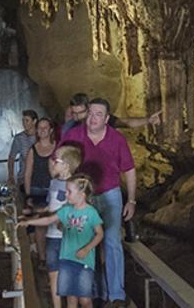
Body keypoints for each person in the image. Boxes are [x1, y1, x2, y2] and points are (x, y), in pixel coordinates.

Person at [58, 98, 136, 307]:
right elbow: (59, 159)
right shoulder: (74, 135)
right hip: (84, 196)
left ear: (107, 119)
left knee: (111, 242)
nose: (92, 118)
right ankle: (91, 290)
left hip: (110, 194)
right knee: (85, 243)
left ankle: (116, 294)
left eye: (98, 114)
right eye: (90, 113)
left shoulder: (117, 139)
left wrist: (131, 200)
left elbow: (129, 169)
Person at [19, 173, 104, 308]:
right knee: (70, 296)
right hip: (66, 258)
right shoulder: (66, 210)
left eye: (69, 192)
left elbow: (99, 234)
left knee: (85, 299)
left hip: (84, 262)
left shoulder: (91, 213)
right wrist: (29, 222)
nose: (65, 195)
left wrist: (87, 248)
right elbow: (49, 219)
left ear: (82, 194)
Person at [25, 144, 83, 308]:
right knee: (54, 277)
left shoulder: (76, 186)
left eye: (55, 160)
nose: (52, 163)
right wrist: (35, 212)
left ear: (65, 165)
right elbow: (51, 206)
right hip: (52, 237)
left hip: (69, 239)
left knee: (70, 278)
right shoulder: (53, 183)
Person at [23, 117, 57, 260]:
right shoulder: (33, 150)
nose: (42, 130)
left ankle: (54, 256)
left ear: (50, 130)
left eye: (45, 127)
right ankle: (42, 258)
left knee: (55, 224)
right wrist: (27, 195)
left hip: (53, 191)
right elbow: (28, 173)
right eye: (40, 128)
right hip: (37, 191)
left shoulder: (57, 148)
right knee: (40, 225)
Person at [62, 92, 163, 133]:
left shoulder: (100, 121)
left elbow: (125, 123)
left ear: (89, 109)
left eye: (80, 113)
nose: (76, 116)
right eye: (74, 113)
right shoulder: (70, 126)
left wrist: (148, 120)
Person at [7, 109, 38, 189]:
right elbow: (11, 157)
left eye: (27, 120)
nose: (24, 123)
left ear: (34, 121)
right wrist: (11, 176)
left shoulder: (40, 137)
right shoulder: (19, 138)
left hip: (38, 178)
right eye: (23, 120)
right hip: (23, 177)